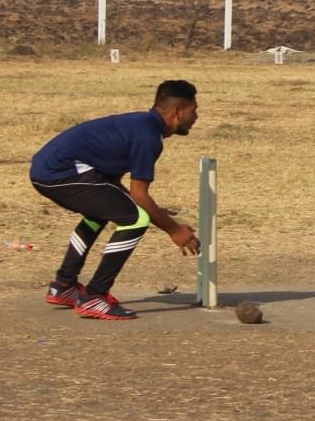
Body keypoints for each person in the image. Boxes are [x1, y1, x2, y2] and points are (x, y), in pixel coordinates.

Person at [28, 80, 202, 321]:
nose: (196, 117)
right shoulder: (148, 137)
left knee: (104, 212)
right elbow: (139, 195)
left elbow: (114, 186)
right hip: (59, 172)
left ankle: (64, 285)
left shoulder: (141, 125)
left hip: (50, 169)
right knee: (136, 220)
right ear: (177, 112)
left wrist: (161, 214)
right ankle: (94, 296)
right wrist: (173, 229)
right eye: (194, 110)